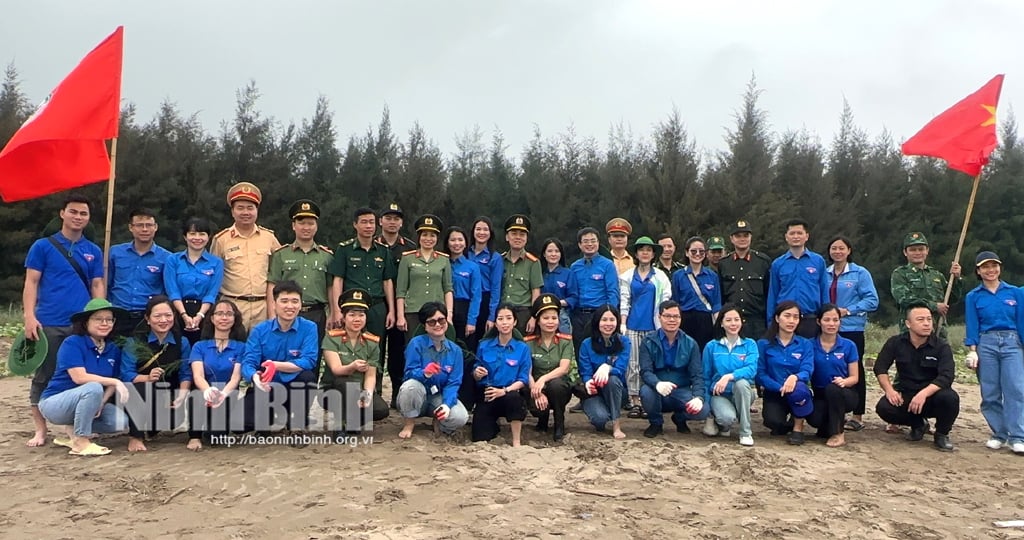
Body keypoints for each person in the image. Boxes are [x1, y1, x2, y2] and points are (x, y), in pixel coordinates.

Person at [24, 195, 106, 447]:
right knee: (44, 375)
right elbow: (31, 282)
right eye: (74, 212)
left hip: (81, 326)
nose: (78, 217)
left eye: (83, 213)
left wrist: (99, 314)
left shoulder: (93, 250)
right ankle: (40, 430)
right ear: (62, 213)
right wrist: (29, 316)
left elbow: (97, 284)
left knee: (78, 376)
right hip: (48, 322)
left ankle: (73, 428)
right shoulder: (42, 246)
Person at [37, 299, 131, 456]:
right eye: (98, 319)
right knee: (93, 387)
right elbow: (79, 377)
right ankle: (81, 441)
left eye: (109, 319)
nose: (105, 323)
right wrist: (115, 381)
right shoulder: (73, 343)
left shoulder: (112, 348)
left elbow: (111, 383)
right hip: (55, 403)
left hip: (90, 399)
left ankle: (73, 432)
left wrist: (100, 403)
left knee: (120, 422)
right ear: (86, 322)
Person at [329, 207, 397, 401]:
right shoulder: (345, 249)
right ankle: (349, 391)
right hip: (352, 308)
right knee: (350, 346)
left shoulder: (383, 251)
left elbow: (387, 282)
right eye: (364, 222)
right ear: (355, 224)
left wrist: (391, 310)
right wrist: (336, 310)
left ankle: (374, 393)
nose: (369, 226)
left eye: (372, 222)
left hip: (376, 307)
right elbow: (338, 280)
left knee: (376, 348)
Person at [874, 301, 960, 451]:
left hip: (933, 395)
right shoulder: (896, 342)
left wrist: (924, 394)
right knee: (884, 407)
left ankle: (942, 434)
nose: (926, 324)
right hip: (907, 394)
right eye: (920, 320)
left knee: (950, 398)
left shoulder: (941, 346)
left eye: (929, 319)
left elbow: (946, 376)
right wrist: (889, 390)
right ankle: (918, 424)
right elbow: (880, 367)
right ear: (908, 323)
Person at [964, 251, 1024, 454]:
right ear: (978, 271)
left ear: (1000, 267)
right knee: (990, 391)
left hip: (1011, 342)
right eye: (985, 267)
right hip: (986, 343)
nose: (990, 270)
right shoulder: (973, 296)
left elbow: (1021, 321)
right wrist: (972, 350)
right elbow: (972, 324)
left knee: (1015, 389)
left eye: (994, 266)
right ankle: (1000, 433)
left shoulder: (1015, 292)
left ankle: (1018, 436)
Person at [241, 281, 319, 433]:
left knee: (307, 376)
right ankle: (267, 420)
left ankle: (296, 421)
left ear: (301, 304)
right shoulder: (260, 330)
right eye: (284, 301)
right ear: (274, 304)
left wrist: (276, 365)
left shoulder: (309, 327)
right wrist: (255, 377)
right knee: (243, 424)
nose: (290, 306)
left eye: (295, 301)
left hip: (294, 385)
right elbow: (248, 362)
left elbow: (309, 360)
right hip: (267, 387)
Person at [120, 295, 193, 452]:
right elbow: (126, 374)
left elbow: (186, 373)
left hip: (169, 394)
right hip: (141, 393)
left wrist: (181, 395)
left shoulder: (182, 342)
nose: (163, 320)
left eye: (168, 315)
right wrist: (147, 378)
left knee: (173, 419)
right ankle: (135, 436)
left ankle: (154, 426)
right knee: (139, 388)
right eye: (157, 316)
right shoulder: (135, 342)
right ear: (147, 318)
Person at [395, 215, 454, 404]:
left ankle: (435, 393)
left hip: (438, 315)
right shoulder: (408, 259)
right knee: (413, 351)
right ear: (419, 236)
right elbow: (401, 289)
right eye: (425, 235)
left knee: (438, 350)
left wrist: (449, 315)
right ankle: (410, 394)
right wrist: (399, 315)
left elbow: (448, 288)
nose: (429, 239)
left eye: (433, 235)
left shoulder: (443, 260)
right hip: (413, 312)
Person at [210, 181, 282, 331]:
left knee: (262, 351)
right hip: (232, 307)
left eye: (250, 208)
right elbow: (212, 274)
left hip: (263, 307)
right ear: (232, 211)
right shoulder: (221, 240)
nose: (245, 212)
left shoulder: (269, 238)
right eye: (240, 208)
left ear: (257, 210)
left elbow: (280, 269)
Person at [824, 235, 878, 432]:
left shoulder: (860, 273)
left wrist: (848, 310)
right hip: (828, 328)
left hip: (851, 328)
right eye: (834, 248)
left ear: (849, 251)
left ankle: (857, 415)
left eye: (841, 248)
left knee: (855, 370)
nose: (837, 251)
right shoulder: (825, 273)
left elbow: (872, 300)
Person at [396, 302, 470, 439]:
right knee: (410, 387)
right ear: (425, 325)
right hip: (419, 393)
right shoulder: (416, 343)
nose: (437, 325)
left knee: (461, 417)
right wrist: (424, 373)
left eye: (441, 320)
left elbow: (454, 382)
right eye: (431, 322)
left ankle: (439, 423)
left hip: (439, 396)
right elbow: (408, 374)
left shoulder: (456, 351)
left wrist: (447, 405)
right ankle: (409, 423)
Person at [321, 288, 390, 433]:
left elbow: (371, 374)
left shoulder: (371, 342)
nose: (357, 319)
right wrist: (352, 366)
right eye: (352, 315)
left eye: (361, 315)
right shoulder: (332, 338)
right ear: (344, 318)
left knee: (381, 410)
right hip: (333, 389)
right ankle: (340, 426)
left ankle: (353, 421)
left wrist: (368, 394)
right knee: (345, 383)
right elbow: (336, 369)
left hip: (359, 389)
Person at [638, 300, 710, 438]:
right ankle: (655, 423)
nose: (672, 320)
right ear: (659, 317)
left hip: (681, 391)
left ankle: (680, 418)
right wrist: (657, 383)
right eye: (667, 316)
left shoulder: (690, 343)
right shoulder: (648, 341)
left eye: (676, 316)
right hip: (656, 390)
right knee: (646, 392)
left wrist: (699, 397)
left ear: (680, 318)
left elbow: (697, 375)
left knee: (703, 410)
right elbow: (645, 371)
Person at [268, 199, 334, 344]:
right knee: (285, 355)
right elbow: (272, 285)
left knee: (313, 358)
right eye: (301, 223)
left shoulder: (327, 256)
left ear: (316, 226)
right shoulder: (281, 254)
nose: (306, 227)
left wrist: (333, 314)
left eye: (310, 223)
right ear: (293, 225)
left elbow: (330, 287)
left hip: (317, 314)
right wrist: (272, 314)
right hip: (287, 313)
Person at [619, 236, 672, 418]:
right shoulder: (627, 276)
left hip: (654, 327)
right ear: (636, 253)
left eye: (648, 250)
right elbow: (624, 301)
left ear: (653, 254)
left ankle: (650, 400)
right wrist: (623, 323)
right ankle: (635, 401)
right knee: (632, 364)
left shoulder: (660, 277)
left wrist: (664, 325)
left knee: (650, 364)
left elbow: (665, 301)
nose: (645, 253)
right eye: (642, 249)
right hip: (633, 325)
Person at [188, 299, 246, 451]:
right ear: (212, 318)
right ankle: (194, 436)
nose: (224, 318)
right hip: (204, 391)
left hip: (227, 393)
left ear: (235, 319)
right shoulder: (199, 346)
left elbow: (235, 378)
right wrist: (208, 391)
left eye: (229, 314)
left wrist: (222, 395)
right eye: (219, 314)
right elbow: (198, 376)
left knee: (216, 437)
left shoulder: (241, 347)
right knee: (196, 394)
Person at [757, 300, 815, 445]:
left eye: (795, 317)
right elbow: (760, 373)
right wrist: (779, 387)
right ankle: (787, 422)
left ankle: (798, 428)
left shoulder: (805, 344)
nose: (791, 321)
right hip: (774, 390)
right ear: (777, 318)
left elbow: (807, 369)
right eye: (787, 316)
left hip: (797, 389)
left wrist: (794, 378)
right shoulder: (763, 344)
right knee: (773, 422)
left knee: (799, 391)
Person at [376, 203, 417, 407]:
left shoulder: (410, 248)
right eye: (388, 218)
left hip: (402, 309)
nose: (392, 222)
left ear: (401, 222)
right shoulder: (373, 244)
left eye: (396, 218)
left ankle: (396, 394)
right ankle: (374, 393)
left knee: (398, 352)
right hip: (377, 306)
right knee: (375, 350)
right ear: (380, 221)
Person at [472, 304, 531, 446]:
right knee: (480, 437)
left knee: (515, 398)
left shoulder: (522, 348)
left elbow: (523, 379)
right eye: (500, 319)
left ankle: (516, 440)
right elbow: (475, 370)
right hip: (488, 394)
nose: (505, 322)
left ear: (515, 322)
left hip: (509, 392)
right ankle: (493, 425)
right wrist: (477, 373)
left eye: (508, 318)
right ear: (495, 323)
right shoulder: (484, 345)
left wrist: (504, 391)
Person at [107, 208, 171, 337]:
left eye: (149, 225)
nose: (145, 229)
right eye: (139, 225)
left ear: (156, 227)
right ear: (131, 227)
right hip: (118, 315)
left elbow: (167, 290)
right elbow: (106, 283)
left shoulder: (167, 258)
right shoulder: (115, 252)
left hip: (147, 317)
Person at [701, 304, 757, 446]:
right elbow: (705, 376)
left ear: (742, 322)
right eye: (728, 320)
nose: (733, 324)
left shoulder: (750, 344)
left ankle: (745, 432)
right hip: (719, 395)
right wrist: (707, 409)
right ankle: (722, 424)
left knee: (742, 383)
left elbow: (751, 369)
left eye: (736, 319)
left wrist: (728, 376)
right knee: (727, 418)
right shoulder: (711, 346)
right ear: (721, 323)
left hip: (742, 392)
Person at [163, 217, 224, 347]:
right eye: (192, 233)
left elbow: (212, 293)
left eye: (202, 234)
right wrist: (184, 315)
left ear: (208, 237)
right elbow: (172, 291)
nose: (197, 238)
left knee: (203, 350)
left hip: (205, 312)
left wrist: (199, 316)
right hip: (178, 311)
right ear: (185, 237)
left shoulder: (216, 262)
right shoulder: (173, 260)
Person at [523, 294, 576, 441]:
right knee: (533, 399)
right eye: (545, 318)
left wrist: (543, 379)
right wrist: (536, 389)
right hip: (536, 387)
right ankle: (542, 419)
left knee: (556, 385)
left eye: (554, 318)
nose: (550, 322)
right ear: (538, 321)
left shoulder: (565, 341)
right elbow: (526, 370)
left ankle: (559, 423)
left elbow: (564, 368)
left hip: (558, 389)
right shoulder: (528, 343)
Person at [891, 231, 963, 339]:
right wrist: (934, 306)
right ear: (905, 252)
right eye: (913, 250)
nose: (917, 252)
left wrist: (956, 278)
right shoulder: (900, 274)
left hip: (938, 331)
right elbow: (904, 299)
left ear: (927, 251)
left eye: (921, 249)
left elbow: (952, 298)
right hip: (912, 334)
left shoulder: (936, 275)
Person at [806, 304, 859, 448]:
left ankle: (838, 433)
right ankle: (829, 426)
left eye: (835, 320)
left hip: (844, 392)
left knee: (833, 389)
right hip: (820, 393)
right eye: (827, 320)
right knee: (815, 420)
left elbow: (855, 377)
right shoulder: (809, 345)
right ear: (818, 321)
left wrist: (844, 381)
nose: (831, 324)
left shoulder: (849, 345)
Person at [766, 219, 829, 338]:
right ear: (786, 237)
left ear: (807, 236)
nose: (796, 236)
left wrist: (825, 318)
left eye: (799, 233)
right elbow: (773, 294)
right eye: (792, 233)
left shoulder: (818, 261)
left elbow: (824, 291)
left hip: (811, 319)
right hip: (785, 320)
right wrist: (771, 322)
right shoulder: (778, 264)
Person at [577, 305, 629, 439]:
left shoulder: (624, 342)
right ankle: (600, 412)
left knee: (612, 379)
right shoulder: (586, 344)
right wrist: (588, 382)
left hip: (616, 390)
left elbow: (621, 369)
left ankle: (616, 425)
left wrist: (608, 367)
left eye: (612, 320)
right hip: (594, 393)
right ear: (597, 322)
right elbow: (585, 372)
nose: (608, 324)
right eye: (604, 320)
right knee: (600, 419)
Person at [567, 227, 619, 356]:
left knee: (599, 350)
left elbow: (613, 292)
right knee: (580, 351)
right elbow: (571, 292)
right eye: (585, 241)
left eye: (593, 241)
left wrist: (609, 315)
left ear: (598, 243)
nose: (589, 244)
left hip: (598, 314)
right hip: (578, 316)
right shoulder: (574, 266)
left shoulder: (607, 265)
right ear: (580, 245)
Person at [717, 220, 772, 340]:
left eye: (746, 235)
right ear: (731, 238)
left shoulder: (763, 262)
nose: (742, 239)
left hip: (757, 323)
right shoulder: (723, 263)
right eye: (738, 236)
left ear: (751, 237)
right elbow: (720, 295)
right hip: (731, 322)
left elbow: (769, 294)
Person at [671, 236, 721, 350]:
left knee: (704, 355)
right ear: (687, 253)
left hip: (706, 321)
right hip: (685, 320)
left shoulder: (712, 276)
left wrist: (718, 326)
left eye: (701, 251)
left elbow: (716, 304)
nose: (697, 254)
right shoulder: (678, 276)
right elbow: (675, 302)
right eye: (693, 251)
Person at [500, 214, 543, 334]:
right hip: (502, 312)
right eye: (514, 234)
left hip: (524, 313)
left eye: (522, 234)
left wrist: (534, 317)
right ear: (507, 237)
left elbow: (536, 292)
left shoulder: (533, 262)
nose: (518, 237)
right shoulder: (499, 260)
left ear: (526, 238)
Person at [468, 216, 503, 350]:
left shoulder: (495, 257)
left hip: (485, 301)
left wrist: (492, 316)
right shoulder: (465, 253)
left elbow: (496, 288)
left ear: (490, 233)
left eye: (485, 230)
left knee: (482, 342)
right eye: (478, 229)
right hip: (467, 298)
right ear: (473, 232)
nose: (481, 233)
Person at [446, 226, 481, 344]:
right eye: (453, 240)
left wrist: (471, 321)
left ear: (466, 243)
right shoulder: (442, 263)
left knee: (465, 348)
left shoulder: (473, 267)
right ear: (447, 243)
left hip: (464, 310)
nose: (457, 243)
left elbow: (476, 296)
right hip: (444, 308)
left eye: (460, 240)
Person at [540, 237, 573, 335]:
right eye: (549, 251)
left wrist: (557, 302)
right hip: (541, 314)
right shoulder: (539, 273)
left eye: (557, 251)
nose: (553, 254)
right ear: (544, 254)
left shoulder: (568, 273)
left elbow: (573, 297)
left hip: (561, 315)